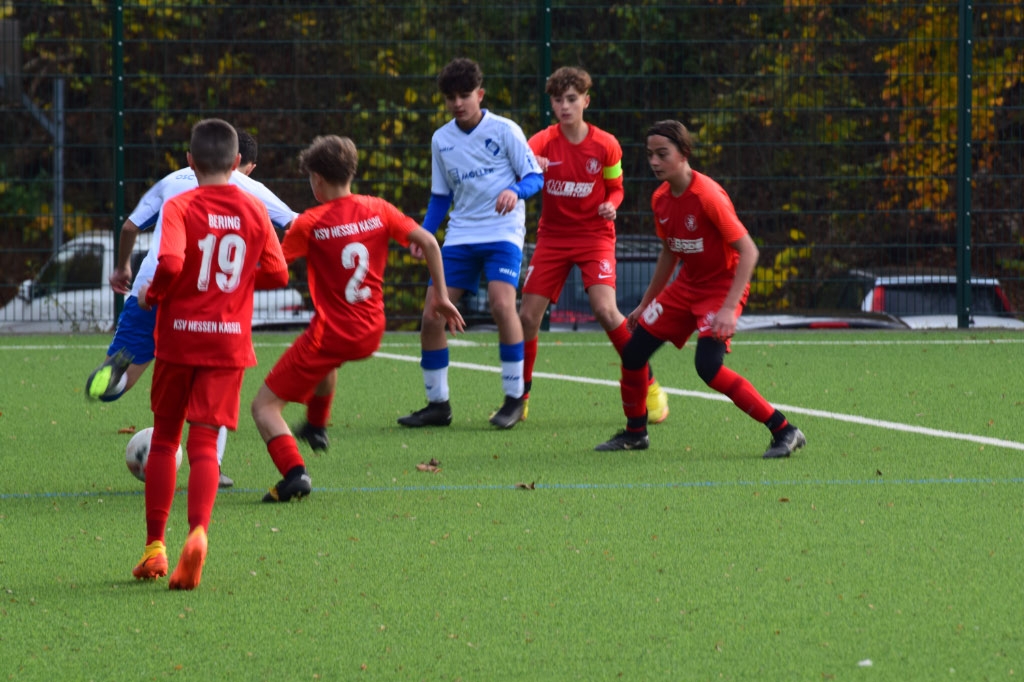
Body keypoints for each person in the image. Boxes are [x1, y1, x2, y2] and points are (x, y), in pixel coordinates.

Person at [84, 130, 309, 487]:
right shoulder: (248, 191)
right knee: (210, 395)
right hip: (206, 303)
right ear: (240, 163)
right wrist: (249, 271)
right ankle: (211, 468)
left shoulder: (171, 182)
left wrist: (123, 266)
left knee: (128, 384)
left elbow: (130, 225)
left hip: (150, 290)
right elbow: (297, 224)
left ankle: (116, 376)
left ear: (191, 159)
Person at [252, 135, 465, 502]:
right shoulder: (378, 209)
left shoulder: (310, 223)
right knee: (325, 362)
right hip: (371, 330)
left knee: (264, 407)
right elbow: (430, 243)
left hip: (331, 333)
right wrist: (441, 297)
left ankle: (294, 473)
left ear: (317, 179)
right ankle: (316, 424)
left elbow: (275, 272)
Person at [130, 118, 290, 589]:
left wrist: (154, 293)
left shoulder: (180, 205)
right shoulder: (254, 208)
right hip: (227, 341)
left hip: (180, 337)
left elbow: (170, 262)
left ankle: (155, 548)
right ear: (238, 163)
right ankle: (198, 532)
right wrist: (237, 282)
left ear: (190, 161)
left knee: (165, 439)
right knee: (204, 442)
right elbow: (279, 274)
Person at [595, 120, 806, 458]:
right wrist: (645, 304)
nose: (654, 161)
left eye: (662, 154)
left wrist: (728, 309)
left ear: (684, 153)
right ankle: (635, 433)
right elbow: (669, 253)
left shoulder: (707, 196)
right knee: (633, 354)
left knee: (708, 367)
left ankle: (785, 430)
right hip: (687, 286)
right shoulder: (661, 199)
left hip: (721, 289)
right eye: (650, 154)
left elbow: (749, 251)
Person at [397, 57, 543, 430]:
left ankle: (514, 399)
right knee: (432, 314)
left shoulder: (505, 130)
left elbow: (534, 177)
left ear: (480, 94)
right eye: (451, 97)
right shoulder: (441, 139)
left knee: (501, 304)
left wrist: (514, 190)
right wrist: (424, 234)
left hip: (503, 232)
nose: (458, 103)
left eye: (465, 95)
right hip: (460, 236)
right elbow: (440, 197)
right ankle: (438, 405)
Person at [519, 66, 668, 423]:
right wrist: (529, 166)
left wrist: (611, 205)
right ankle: (518, 398)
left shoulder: (606, 145)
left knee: (605, 310)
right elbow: (517, 171)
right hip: (553, 237)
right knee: (526, 317)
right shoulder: (541, 142)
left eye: (571, 99)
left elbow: (616, 188)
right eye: (558, 100)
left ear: (586, 101)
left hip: (594, 236)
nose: (564, 106)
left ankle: (649, 387)